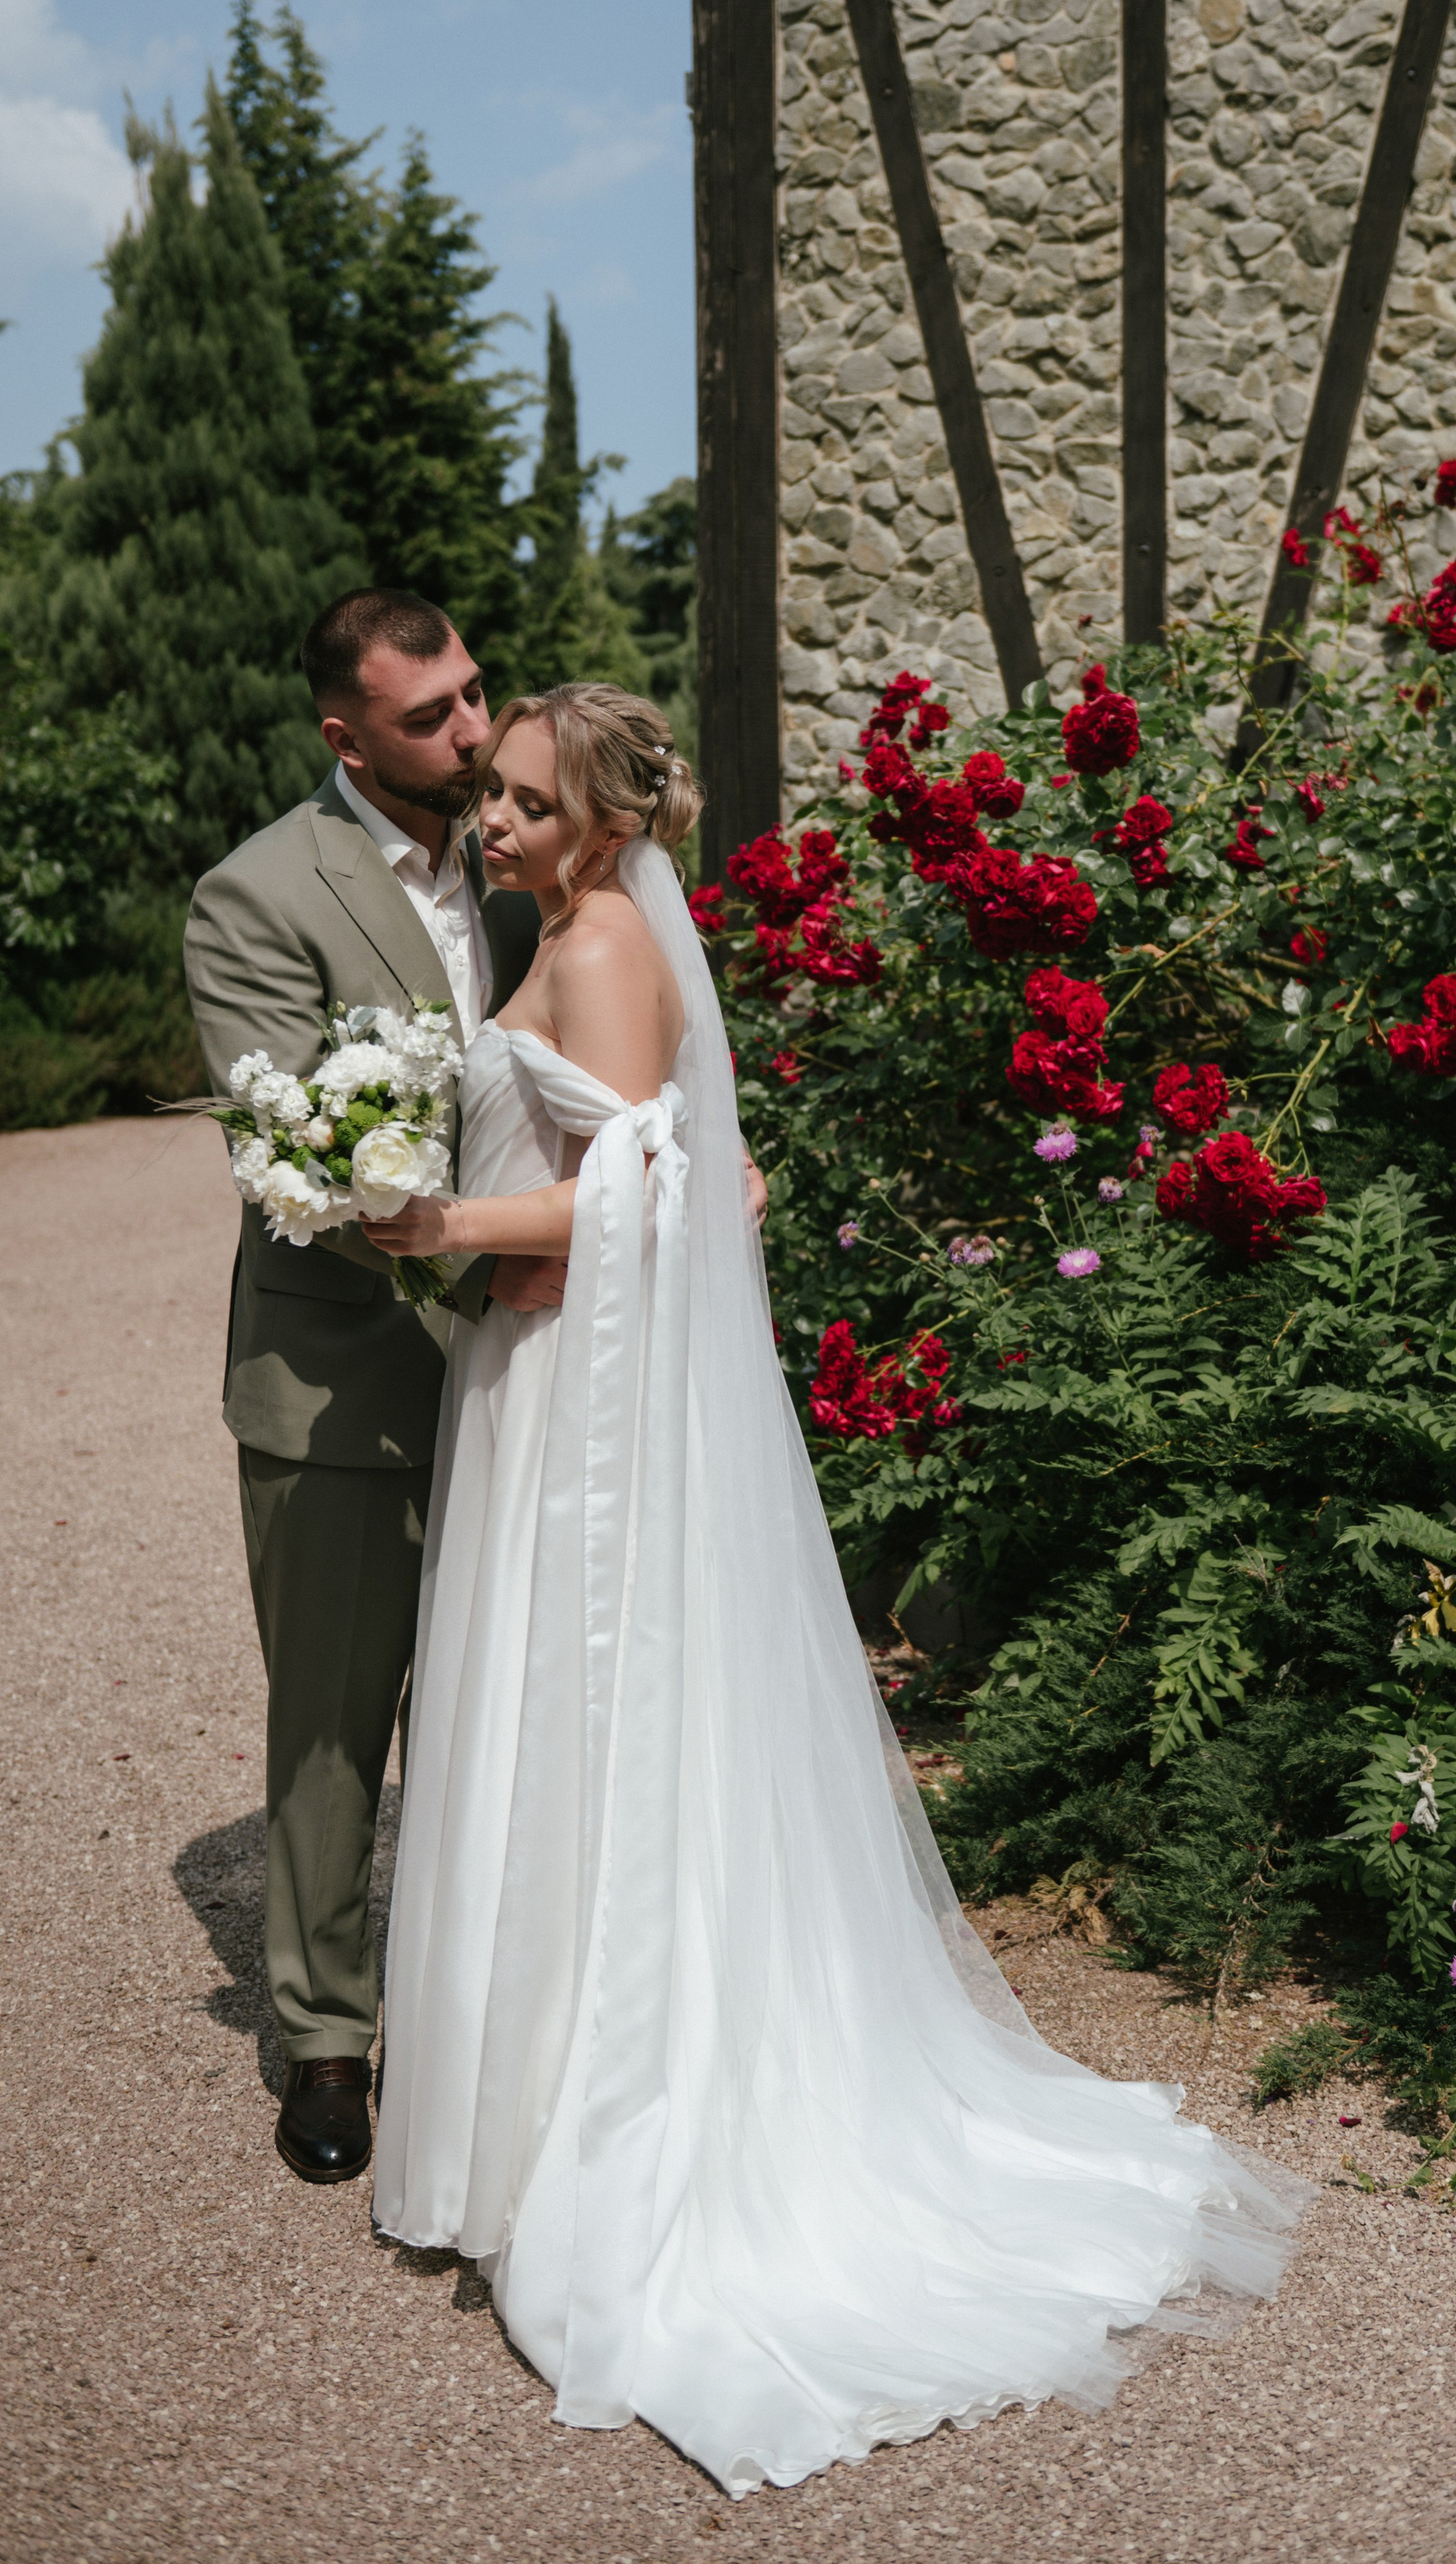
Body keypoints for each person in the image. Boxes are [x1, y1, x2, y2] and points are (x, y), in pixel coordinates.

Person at [364, 682, 1315, 2499]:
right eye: (494, 795)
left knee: (582, 1712)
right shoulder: (564, 923)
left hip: (573, 1391)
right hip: (530, 1372)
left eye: (526, 802)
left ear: (603, 823)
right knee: (534, 1715)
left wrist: (438, 1222)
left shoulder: (606, 939)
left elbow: (643, 1182)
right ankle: (520, 2113)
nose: (493, 820)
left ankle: (598, 2118)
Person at [184, 589, 555, 2185]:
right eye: (429, 716)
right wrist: (490, 1265)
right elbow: (297, 1156)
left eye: (473, 692)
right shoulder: (256, 894)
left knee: (515, 1704)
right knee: (335, 1726)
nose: (471, 732)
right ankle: (328, 2040)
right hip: (341, 1373)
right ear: (346, 736)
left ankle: (497, 2014)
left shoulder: (535, 851)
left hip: (535, 1362)